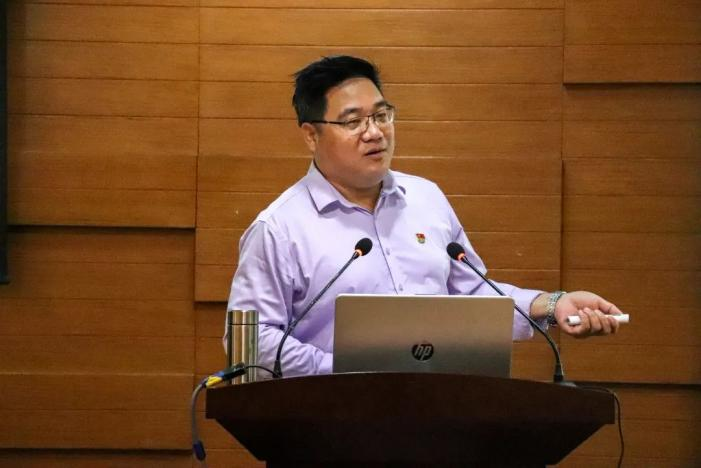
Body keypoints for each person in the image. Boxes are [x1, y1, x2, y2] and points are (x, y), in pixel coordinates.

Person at [227, 55, 622, 378]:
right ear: (311, 135)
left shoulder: (426, 199)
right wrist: (345, 372)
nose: (375, 133)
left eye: (382, 115)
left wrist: (552, 305)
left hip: (437, 413)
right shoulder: (279, 228)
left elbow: (472, 296)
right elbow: (252, 342)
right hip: (329, 420)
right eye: (353, 121)